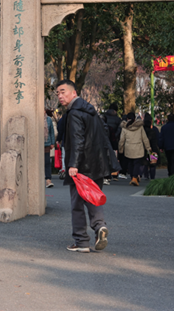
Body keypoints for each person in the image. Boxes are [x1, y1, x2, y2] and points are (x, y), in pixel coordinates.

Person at [56, 79, 109, 253]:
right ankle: (100, 226)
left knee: (77, 204)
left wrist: (73, 164)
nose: (60, 96)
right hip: (97, 164)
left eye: (63, 92)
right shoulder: (91, 111)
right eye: (58, 93)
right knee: (92, 198)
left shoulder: (74, 113)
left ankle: (81, 241)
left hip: (81, 166)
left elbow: (77, 140)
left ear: (74, 93)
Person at [118, 113, 151, 187]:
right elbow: (144, 138)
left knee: (130, 163)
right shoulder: (140, 127)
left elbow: (121, 140)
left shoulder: (124, 127)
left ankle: (133, 177)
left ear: (127, 119)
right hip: (138, 148)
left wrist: (121, 149)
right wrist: (148, 148)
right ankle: (135, 178)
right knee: (137, 163)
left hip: (128, 148)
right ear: (135, 119)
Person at [102, 102, 123, 181]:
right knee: (113, 157)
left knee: (105, 157)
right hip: (113, 139)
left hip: (104, 139)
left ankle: (106, 174)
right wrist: (115, 135)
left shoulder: (105, 117)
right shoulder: (118, 119)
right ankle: (114, 174)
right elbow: (119, 129)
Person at [143, 115, 160, 180]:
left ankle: (146, 175)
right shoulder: (154, 131)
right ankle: (152, 176)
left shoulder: (142, 131)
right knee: (153, 163)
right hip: (152, 149)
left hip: (144, 149)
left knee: (145, 162)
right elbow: (157, 140)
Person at [44, 109, 56, 188]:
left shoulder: (48, 119)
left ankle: (48, 180)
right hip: (36, 144)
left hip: (47, 143)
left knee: (47, 162)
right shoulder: (35, 118)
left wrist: (52, 143)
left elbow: (51, 131)